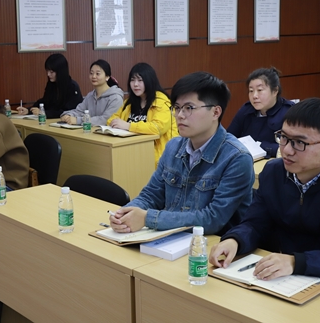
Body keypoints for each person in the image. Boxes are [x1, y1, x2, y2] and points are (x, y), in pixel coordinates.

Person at [209, 98, 320, 285]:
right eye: (283, 138)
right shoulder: (274, 172)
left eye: (299, 143)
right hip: (284, 281)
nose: (286, 150)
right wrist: (235, 240)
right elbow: (255, 224)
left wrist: (297, 262)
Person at [109, 72, 254, 236]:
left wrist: (147, 218)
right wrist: (125, 213)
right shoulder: (173, 147)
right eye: (177, 108)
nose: (180, 115)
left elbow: (212, 219)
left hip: (212, 245)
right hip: (170, 238)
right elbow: (151, 195)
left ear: (215, 112)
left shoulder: (237, 158)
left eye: (189, 108)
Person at [107, 63, 178, 167]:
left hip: (159, 158)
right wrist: (117, 124)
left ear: (149, 81)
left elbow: (157, 128)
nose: (135, 84)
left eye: (140, 80)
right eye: (132, 80)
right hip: (131, 152)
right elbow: (112, 119)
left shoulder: (162, 102)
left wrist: (128, 126)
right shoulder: (129, 102)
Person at [228, 67, 294, 157]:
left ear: (275, 91)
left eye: (260, 90)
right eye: (251, 91)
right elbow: (229, 138)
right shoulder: (246, 109)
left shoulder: (290, 112)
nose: (254, 96)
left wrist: (260, 145)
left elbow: (292, 147)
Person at [17, 53, 83, 118]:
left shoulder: (72, 87)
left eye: (51, 72)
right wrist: (29, 110)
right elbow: (45, 102)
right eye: (47, 71)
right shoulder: (51, 84)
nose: (48, 74)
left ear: (60, 72)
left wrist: (43, 113)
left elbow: (68, 111)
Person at [61, 59, 124, 126]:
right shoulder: (90, 95)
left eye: (98, 74)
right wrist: (68, 115)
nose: (93, 76)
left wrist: (78, 120)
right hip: (89, 131)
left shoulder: (116, 98)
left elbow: (106, 120)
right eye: (91, 73)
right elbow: (79, 111)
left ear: (107, 77)